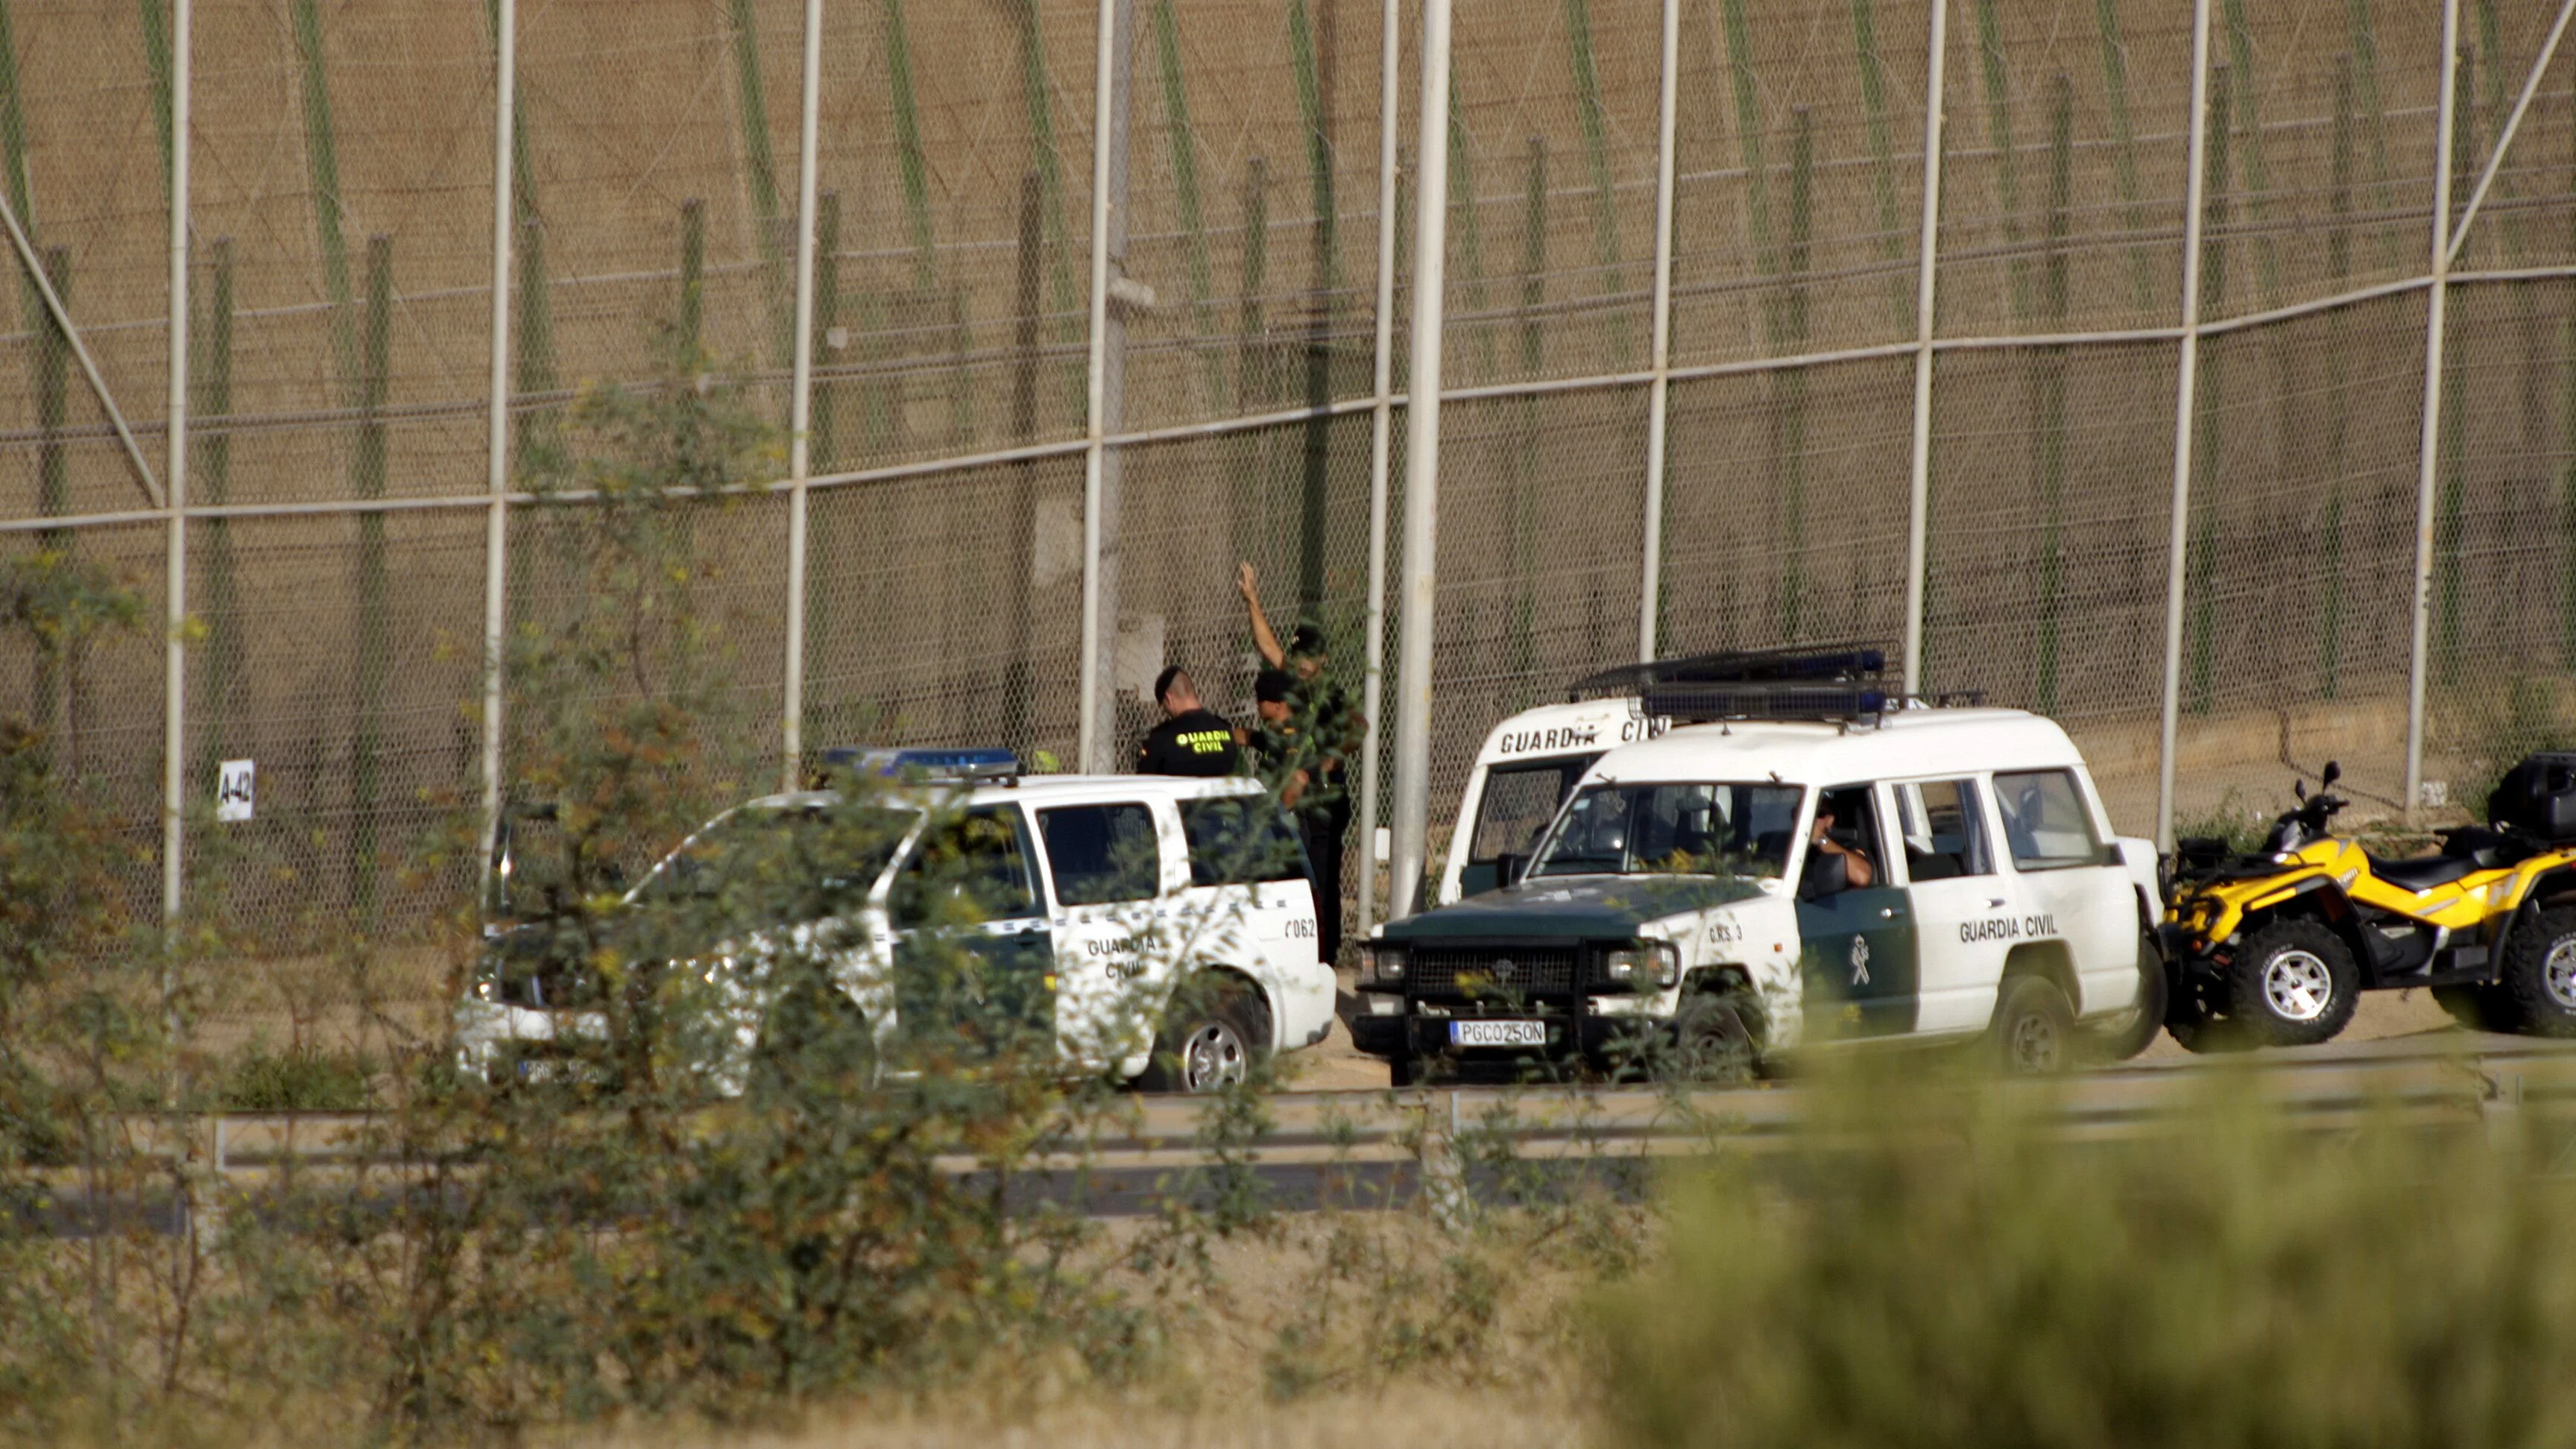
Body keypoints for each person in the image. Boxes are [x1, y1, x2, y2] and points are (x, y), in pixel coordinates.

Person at [1134, 666, 1242, 777]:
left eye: (1164, 706)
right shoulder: (1225, 731)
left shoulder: (1161, 738)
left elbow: (1144, 781)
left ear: (1168, 699)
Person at [1806, 806, 1876, 890]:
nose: (1809, 818)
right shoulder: (1791, 845)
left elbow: (1862, 875)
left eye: (1817, 814)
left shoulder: (1846, 845)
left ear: (1830, 820)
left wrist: (1821, 840)